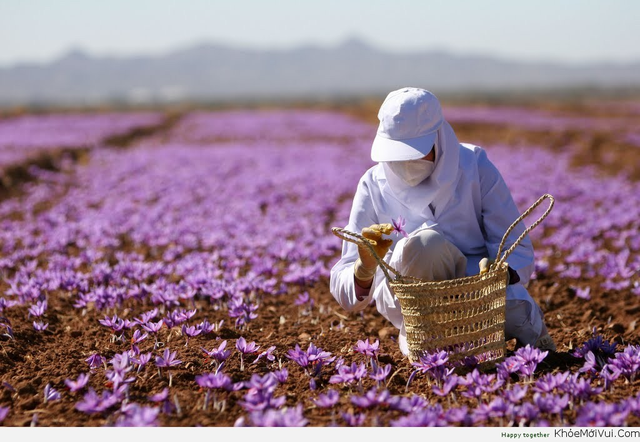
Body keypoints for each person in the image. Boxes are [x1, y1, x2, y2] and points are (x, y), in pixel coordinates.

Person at [329, 87, 556, 357]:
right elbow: (344, 287)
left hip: (478, 291)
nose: (405, 164)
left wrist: (501, 272)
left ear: (439, 138)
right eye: (396, 155)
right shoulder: (372, 185)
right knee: (425, 246)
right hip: (416, 305)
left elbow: (515, 246)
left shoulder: (474, 166)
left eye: (415, 153)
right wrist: (363, 270)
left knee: (516, 312)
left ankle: (529, 336)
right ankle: (433, 337)